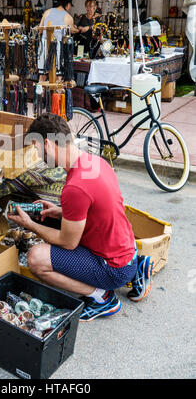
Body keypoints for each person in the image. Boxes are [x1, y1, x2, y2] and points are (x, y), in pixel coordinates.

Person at [8, 113, 154, 322]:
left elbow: (68, 243)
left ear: (48, 144)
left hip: (113, 268)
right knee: (51, 220)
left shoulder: (75, 187)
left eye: (36, 148)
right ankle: (138, 267)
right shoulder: (94, 161)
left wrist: (29, 225)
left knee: (36, 258)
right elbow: (97, 206)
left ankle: (103, 297)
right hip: (127, 249)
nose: (38, 155)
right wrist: (60, 210)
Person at [38, 0, 78, 80]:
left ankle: (40, 92)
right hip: (57, 46)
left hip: (44, 44)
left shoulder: (47, 12)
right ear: (68, 5)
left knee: (42, 75)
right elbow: (71, 31)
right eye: (70, 5)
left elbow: (40, 29)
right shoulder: (68, 17)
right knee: (58, 75)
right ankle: (57, 93)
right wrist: (76, 29)